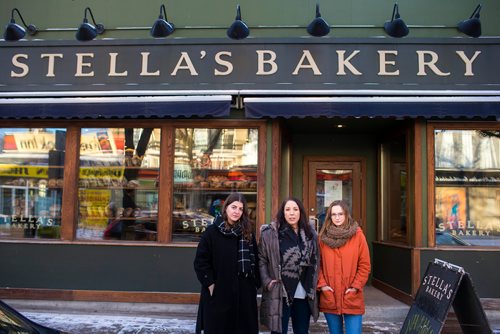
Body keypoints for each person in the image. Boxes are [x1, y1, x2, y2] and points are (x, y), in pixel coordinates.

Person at [193, 192, 260, 334]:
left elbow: (256, 260)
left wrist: (254, 284)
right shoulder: (212, 232)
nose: (237, 212)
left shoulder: (247, 232)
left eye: (240, 209)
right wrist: (210, 284)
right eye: (234, 207)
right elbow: (201, 262)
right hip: (219, 292)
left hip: (244, 294)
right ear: (226, 208)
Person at [259, 197, 320, 334]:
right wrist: (267, 282)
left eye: (295, 209)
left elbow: (316, 260)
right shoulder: (271, 234)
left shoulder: (310, 234)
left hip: (303, 291)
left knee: (302, 330)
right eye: (288, 210)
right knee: (279, 331)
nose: (291, 213)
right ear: (283, 213)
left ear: (300, 212)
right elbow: (262, 259)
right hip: (280, 292)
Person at [317, 200, 371, 334]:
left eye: (340, 214)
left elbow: (364, 265)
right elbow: (317, 265)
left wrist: (355, 287)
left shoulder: (358, 235)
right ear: (329, 217)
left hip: (351, 295)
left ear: (347, 215)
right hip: (330, 295)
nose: (337, 217)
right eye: (333, 214)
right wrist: (323, 286)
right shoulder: (322, 238)